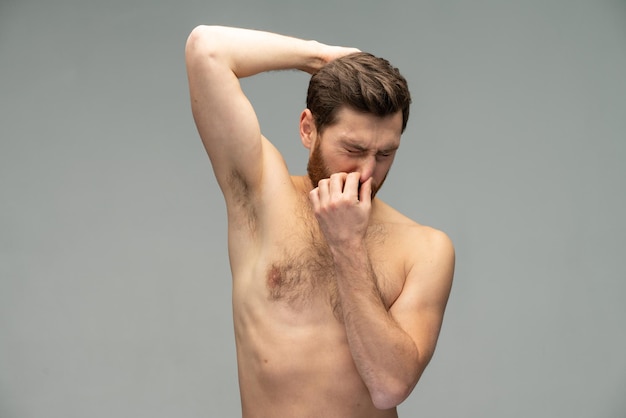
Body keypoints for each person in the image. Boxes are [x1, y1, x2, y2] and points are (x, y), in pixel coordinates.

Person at [185, 25, 455, 418]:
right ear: (308, 129)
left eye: (385, 153)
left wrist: (347, 244)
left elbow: (390, 385)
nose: (367, 172)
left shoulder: (426, 249)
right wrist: (321, 58)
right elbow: (205, 48)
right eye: (354, 148)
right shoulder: (262, 194)